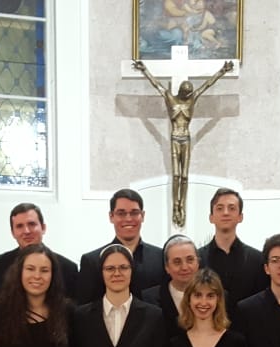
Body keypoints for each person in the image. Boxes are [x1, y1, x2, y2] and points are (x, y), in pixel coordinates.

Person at [131, 58, 233, 226]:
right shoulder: (170, 99)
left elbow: (207, 85)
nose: (188, 94)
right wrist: (144, 70)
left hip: (186, 139)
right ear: (181, 91)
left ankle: (182, 207)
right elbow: (157, 85)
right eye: (186, 92)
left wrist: (223, 71)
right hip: (175, 139)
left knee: (184, 176)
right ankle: (175, 207)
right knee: (176, 175)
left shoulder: (192, 100)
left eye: (189, 92)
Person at [76, 189, 166, 304]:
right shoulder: (92, 261)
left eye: (134, 213)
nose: (128, 219)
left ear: (143, 216)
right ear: (111, 216)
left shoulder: (161, 257)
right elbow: (85, 308)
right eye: (121, 213)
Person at [0, 203, 79, 301]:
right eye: (19, 226)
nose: (26, 231)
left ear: (43, 228)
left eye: (32, 224)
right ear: (13, 233)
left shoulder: (68, 268)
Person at [198, 188, 266, 322]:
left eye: (232, 208)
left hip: (247, 329)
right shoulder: (197, 259)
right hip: (207, 328)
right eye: (219, 208)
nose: (226, 212)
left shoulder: (258, 259)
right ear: (211, 217)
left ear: (240, 217)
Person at [141, 234, 201, 339]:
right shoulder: (148, 299)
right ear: (167, 267)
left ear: (198, 263)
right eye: (177, 262)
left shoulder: (217, 295)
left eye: (190, 260)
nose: (184, 267)